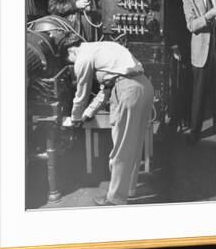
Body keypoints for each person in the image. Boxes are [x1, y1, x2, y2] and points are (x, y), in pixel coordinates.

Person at [64, 39, 154, 206]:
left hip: (128, 90)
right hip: (145, 87)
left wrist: (75, 118)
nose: (75, 66)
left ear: (72, 51)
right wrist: (87, 114)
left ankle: (115, 199)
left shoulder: (83, 56)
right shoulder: (103, 48)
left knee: (121, 149)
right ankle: (129, 190)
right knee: (134, 145)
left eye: (71, 62)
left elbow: (81, 92)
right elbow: (105, 91)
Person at [181, 0, 216, 144]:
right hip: (200, 52)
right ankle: (195, 132)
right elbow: (191, 25)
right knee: (198, 93)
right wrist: (207, 16)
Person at [168, 0, 196, 129]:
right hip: (179, 39)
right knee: (177, 81)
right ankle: (177, 117)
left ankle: (187, 115)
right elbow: (170, 17)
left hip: (192, 38)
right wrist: (174, 45)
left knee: (189, 80)